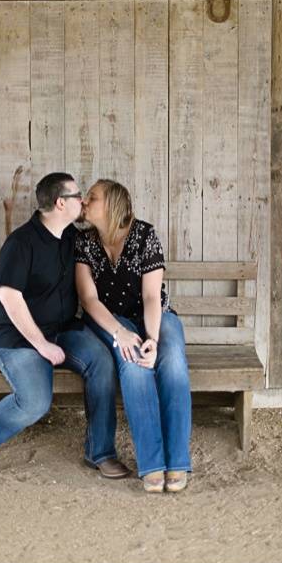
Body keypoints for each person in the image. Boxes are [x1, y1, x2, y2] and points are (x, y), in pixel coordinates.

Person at [0, 172, 130, 480]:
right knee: (35, 401)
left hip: (63, 329)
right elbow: (9, 298)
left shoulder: (73, 238)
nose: (83, 200)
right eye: (78, 196)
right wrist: (42, 345)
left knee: (102, 361)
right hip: (20, 338)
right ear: (61, 203)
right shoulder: (21, 243)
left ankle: (100, 453)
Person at [75, 179, 193, 493]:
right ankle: (153, 464)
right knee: (133, 363)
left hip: (155, 316)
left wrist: (151, 338)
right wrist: (120, 333)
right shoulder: (84, 242)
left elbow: (153, 297)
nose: (84, 202)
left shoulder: (145, 236)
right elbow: (89, 300)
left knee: (173, 364)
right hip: (109, 319)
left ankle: (177, 461)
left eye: (92, 197)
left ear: (112, 205)